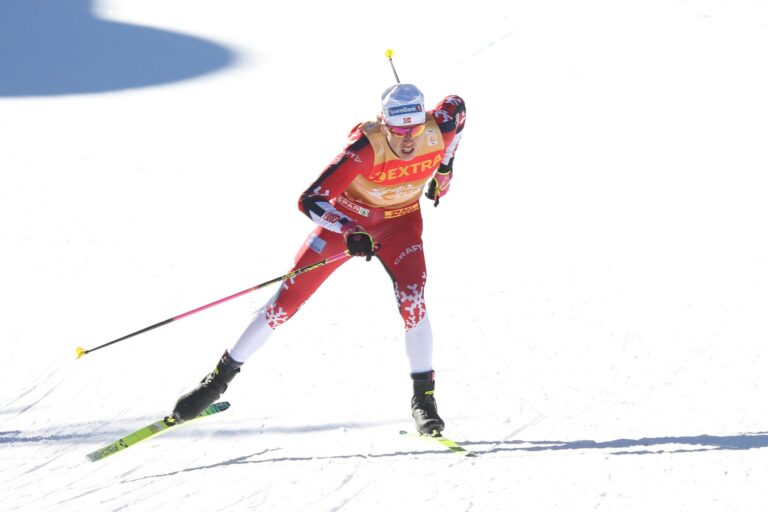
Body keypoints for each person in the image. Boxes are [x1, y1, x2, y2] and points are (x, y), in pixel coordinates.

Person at [172, 84, 466, 435]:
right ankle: (216, 383)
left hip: (400, 225)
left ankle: (424, 400)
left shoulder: (439, 128)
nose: (408, 141)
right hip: (348, 222)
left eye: (414, 130)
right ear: (383, 124)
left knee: (413, 302)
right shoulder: (364, 149)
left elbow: (458, 108)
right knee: (285, 303)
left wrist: (445, 169)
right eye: (399, 131)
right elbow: (310, 199)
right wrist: (348, 228)